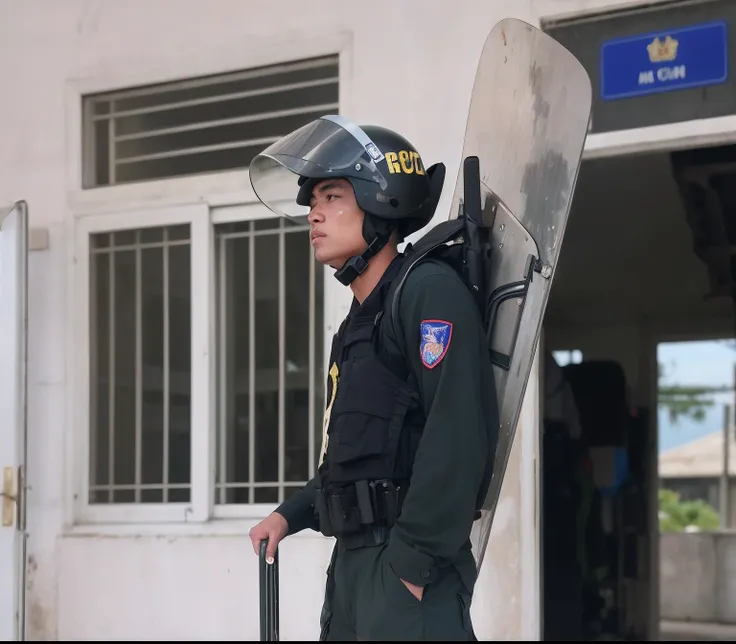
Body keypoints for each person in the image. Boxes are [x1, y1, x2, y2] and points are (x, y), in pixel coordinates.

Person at [248, 115, 498, 641]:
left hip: (408, 570)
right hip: (354, 569)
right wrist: (290, 515)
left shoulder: (428, 292)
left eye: (332, 196)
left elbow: (458, 438)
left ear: (380, 201)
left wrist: (411, 566)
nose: (313, 213)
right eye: (313, 201)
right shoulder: (361, 323)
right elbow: (359, 457)